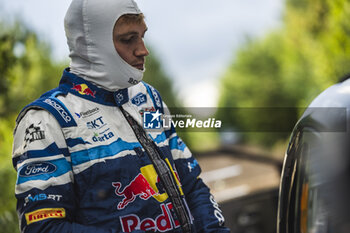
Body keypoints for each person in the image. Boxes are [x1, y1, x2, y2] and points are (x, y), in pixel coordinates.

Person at [12, 0, 230, 232]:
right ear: (90, 46)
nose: (143, 50)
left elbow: (191, 184)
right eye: (128, 39)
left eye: (142, 36)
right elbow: (44, 227)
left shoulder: (148, 98)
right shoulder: (47, 120)